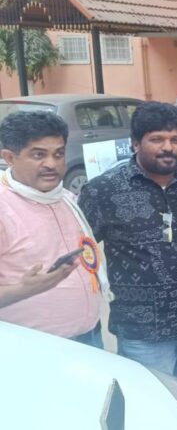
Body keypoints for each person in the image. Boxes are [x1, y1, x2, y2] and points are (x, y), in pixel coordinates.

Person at [79, 102, 177, 405]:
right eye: (157, 139)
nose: (168, 147)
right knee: (153, 410)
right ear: (136, 143)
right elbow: (82, 254)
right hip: (144, 331)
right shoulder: (103, 191)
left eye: (176, 140)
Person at [0, 111, 108, 348]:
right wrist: (22, 290)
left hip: (90, 335)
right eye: (38, 155)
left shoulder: (64, 197)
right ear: (9, 157)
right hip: (34, 348)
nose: (52, 164)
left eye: (58, 154)